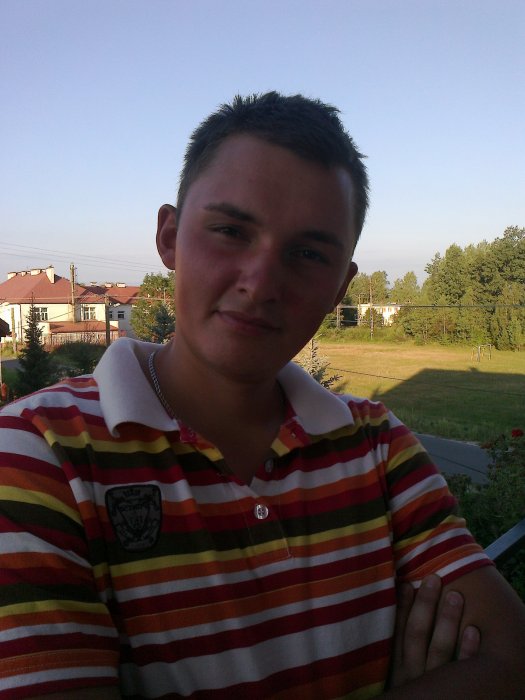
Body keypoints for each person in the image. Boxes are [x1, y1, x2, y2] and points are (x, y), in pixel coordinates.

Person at [0, 92, 523, 699]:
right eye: (231, 231)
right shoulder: (38, 457)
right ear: (169, 237)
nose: (262, 282)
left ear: (340, 287)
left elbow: (510, 659)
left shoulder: (379, 447)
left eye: (308, 254)